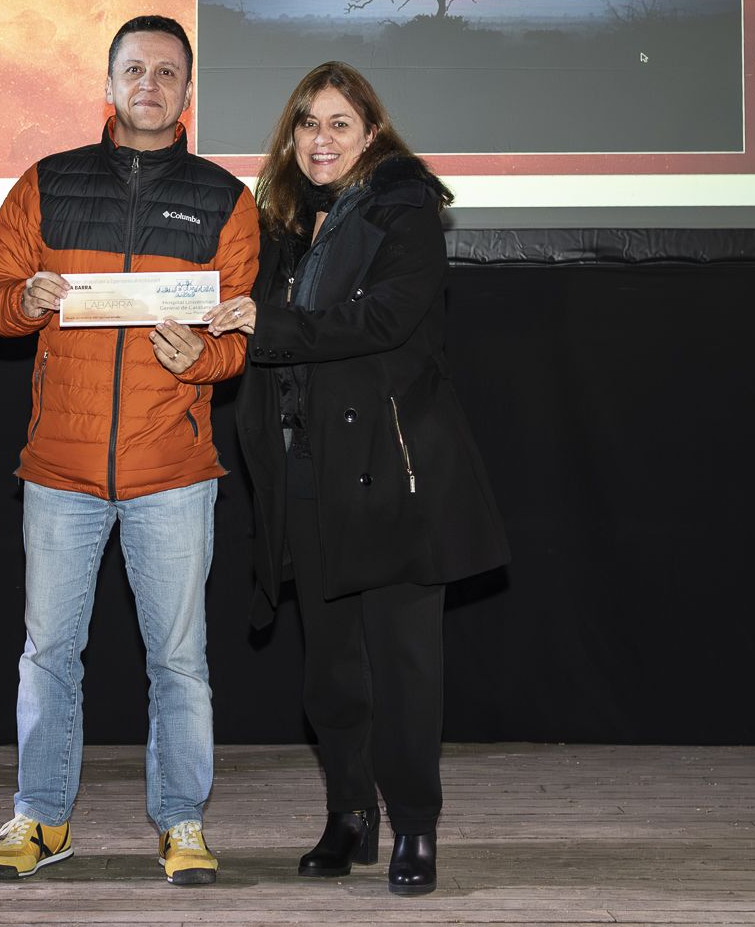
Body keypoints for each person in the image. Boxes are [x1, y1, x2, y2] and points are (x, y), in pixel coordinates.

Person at [203, 61, 508, 897]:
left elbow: (386, 318)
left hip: (392, 472)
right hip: (309, 471)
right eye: (307, 122)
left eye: (340, 122)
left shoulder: (404, 210)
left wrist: (272, 324)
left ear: (371, 134)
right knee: (330, 670)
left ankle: (414, 825)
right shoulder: (286, 227)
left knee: (405, 668)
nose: (321, 137)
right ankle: (349, 815)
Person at [0, 15, 260, 886]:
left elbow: (238, 330)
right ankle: (42, 818)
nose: (150, 82)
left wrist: (200, 356)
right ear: (109, 82)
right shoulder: (46, 184)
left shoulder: (225, 200)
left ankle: (182, 821)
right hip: (59, 471)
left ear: (186, 91)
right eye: (134, 67)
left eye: (167, 71)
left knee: (179, 661)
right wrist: (25, 298)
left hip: (172, 472)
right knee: (47, 655)